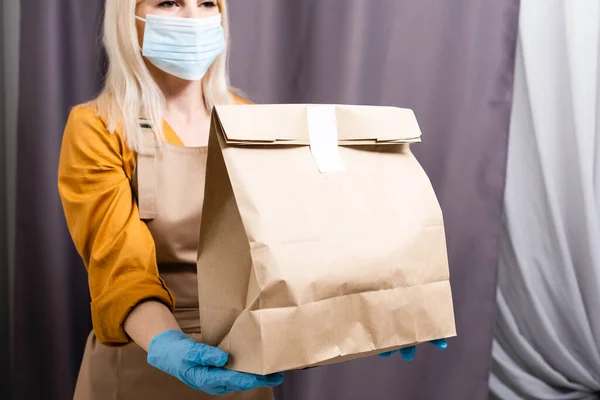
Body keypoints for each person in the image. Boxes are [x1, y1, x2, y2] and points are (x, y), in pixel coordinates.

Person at [58, 0, 448, 399]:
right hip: (141, 361)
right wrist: (166, 344)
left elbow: (299, 248)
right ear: (129, 17)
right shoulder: (99, 128)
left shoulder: (253, 124)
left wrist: (378, 309)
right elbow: (119, 268)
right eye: (170, 3)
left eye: (207, 2)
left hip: (242, 366)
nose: (194, 17)